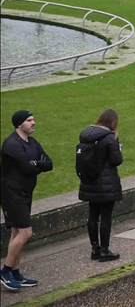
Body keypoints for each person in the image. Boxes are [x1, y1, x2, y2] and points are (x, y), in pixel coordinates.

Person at [0, 111, 51, 291]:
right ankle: (5, 271)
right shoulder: (12, 144)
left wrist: (35, 164)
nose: (33, 122)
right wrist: (37, 164)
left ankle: (15, 272)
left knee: (17, 233)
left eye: (33, 119)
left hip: (25, 192)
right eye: (29, 120)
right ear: (19, 124)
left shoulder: (32, 143)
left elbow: (49, 163)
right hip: (11, 193)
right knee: (25, 233)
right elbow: (27, 168)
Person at [77, 109, 123, 262]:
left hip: (90, 182)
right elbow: (116, 160)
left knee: (92, 216)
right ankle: (105, 250)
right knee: (106, 217)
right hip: (106, 183)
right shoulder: (110, 138)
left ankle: (94, 248)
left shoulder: (86, 135)